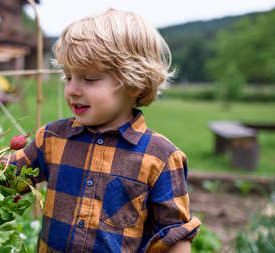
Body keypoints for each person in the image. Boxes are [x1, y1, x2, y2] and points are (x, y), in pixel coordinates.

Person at [12, 8, 201, 253]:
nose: (73, 90)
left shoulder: (161, 157)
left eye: (89, 79)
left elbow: (173, 237)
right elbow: (9, 177)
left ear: (134, 83)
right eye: (68, 77)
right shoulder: (52, 138)